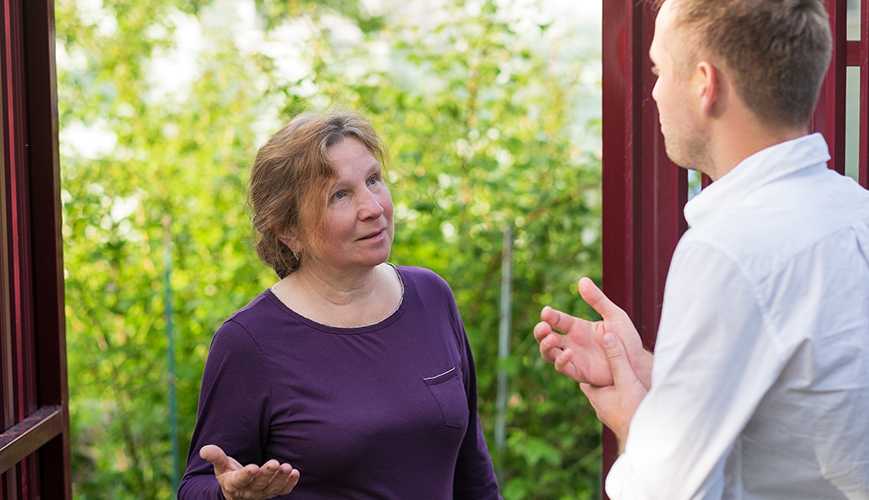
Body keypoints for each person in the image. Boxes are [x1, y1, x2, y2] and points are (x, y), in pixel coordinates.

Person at [534, 0, 869, 498]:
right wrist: (653, 371)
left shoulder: (728, 249)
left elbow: (667, 491)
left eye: (658, 70)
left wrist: (634, 419)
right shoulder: (856, 212)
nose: (652, 92)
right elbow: (802, 408)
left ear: (704, 84)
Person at [178, 109, 501, 500]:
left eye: (373, 180)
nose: (373, 207)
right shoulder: (250, 341)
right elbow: (196, 486)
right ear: (287, 229)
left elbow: (473, 469)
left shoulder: (431, 297)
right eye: (340, 195)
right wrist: (228, 494)